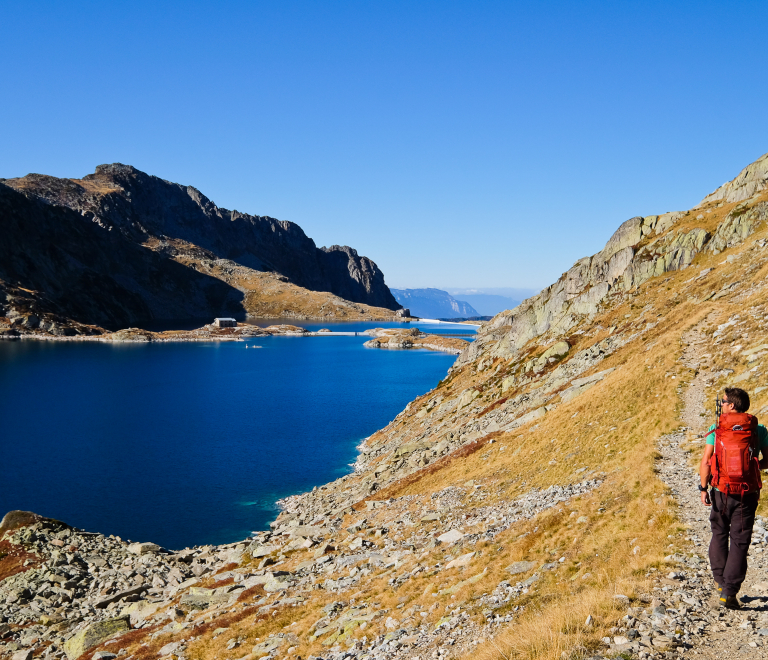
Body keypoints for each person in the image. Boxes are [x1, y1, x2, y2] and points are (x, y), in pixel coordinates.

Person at [699, 387, 768, 609]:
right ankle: (729, 592)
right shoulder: (758, 430)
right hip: (746, 493)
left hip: (721, 490)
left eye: (724, 401)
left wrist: (702, 488)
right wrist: (753, 467)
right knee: (740, 541)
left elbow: (706, 461)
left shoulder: (716, 428)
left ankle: (721, 582)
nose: (722, 404)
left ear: (732, 405)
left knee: (719, 533)